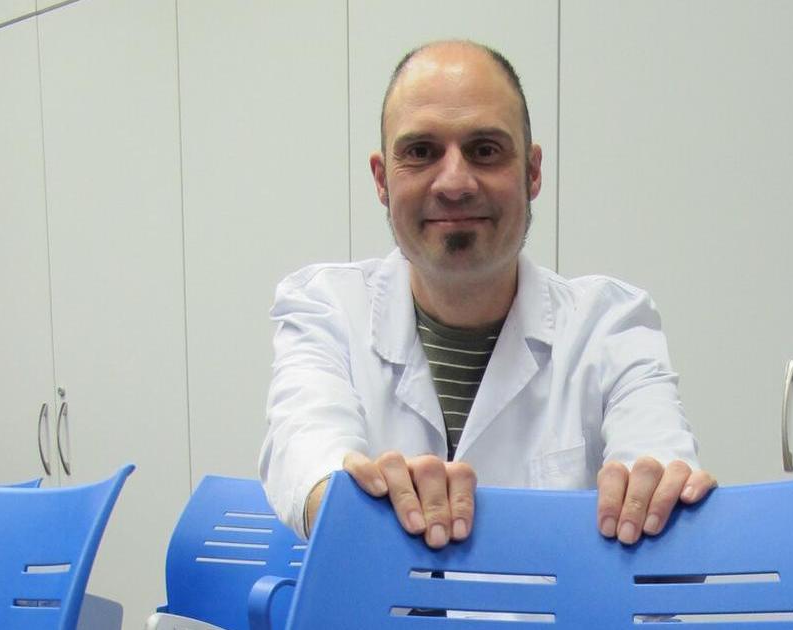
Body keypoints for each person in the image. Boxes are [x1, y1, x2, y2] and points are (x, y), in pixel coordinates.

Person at [259, 40, 715, 549]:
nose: (454, 183)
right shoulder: (326, 309)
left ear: (532, 172)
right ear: (382, 179)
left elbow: (658, 459)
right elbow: (306, 452)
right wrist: (340, 499)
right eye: (421, 152)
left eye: (485, 150)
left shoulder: (612, 325)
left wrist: (655, 498)